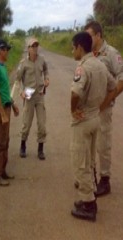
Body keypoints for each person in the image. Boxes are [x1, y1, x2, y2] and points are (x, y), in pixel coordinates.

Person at [69, 32, 115, 221]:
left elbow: (75, 93)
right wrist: (101, 105)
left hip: (83, 120)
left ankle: (88, 203)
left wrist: (73, 111)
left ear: (80, 47)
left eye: (73, 48)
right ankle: (90, 195)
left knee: (80, 161)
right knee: (89, 161)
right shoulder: (100, 65)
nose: (72, 51)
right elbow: (113, 87)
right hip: (96, 116)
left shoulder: (83, 67)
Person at [84, 21, 123, 197]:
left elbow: (121, 80)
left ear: (98, 35)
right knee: (89, 144)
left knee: (103, 145)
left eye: (90, 35)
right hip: (90, 108)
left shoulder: (111, 53)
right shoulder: (89, 54)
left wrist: (108, 101)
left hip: (104, 108)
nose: (87, 39)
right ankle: (91, 178)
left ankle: (105, 180)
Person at [0, 39, 19, 186]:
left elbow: (5, 91)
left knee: (6, 141)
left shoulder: (3, 66)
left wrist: (13, 105)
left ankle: (2, 171)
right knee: (0, 143)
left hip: (7, 107)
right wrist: (2, 113)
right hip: (1, 109)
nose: (7, 52)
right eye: (6, 49)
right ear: (0, 50)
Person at [16, 37, 49, 160]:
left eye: (36, 46)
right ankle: (23, 145)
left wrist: (47, 78)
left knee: (42, 124)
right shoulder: (23, 63)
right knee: (26, 123)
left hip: (39, 94)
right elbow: (18, 80)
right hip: (29, 95)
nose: (35, 48)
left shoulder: (42, 60)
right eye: (32, 46)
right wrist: (21, 92)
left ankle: (40, 149)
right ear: (28, 48)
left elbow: (46, 70)